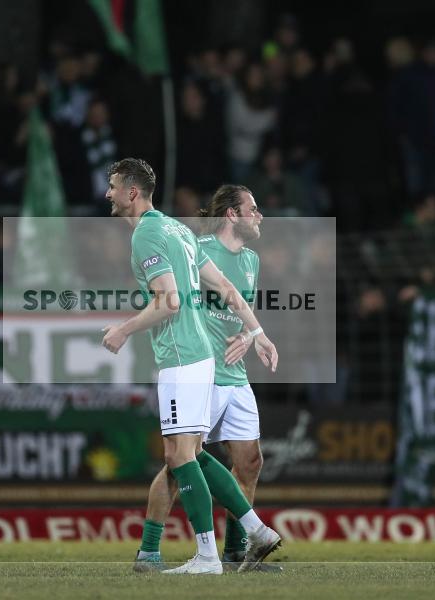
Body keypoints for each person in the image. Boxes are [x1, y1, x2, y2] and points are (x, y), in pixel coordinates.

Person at [101, 159, 281, 575]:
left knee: (179, 455)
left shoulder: (146, 234)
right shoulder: (177, 229)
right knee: (190, 454)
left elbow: (169, 301)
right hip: (201, 355)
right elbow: (223, 285)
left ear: (132, 192)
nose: (108, 194)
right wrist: (258, 334)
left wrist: (124, 330)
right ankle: (253, 530)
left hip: (181, 356)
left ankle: (206, 556)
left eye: (113, 186)